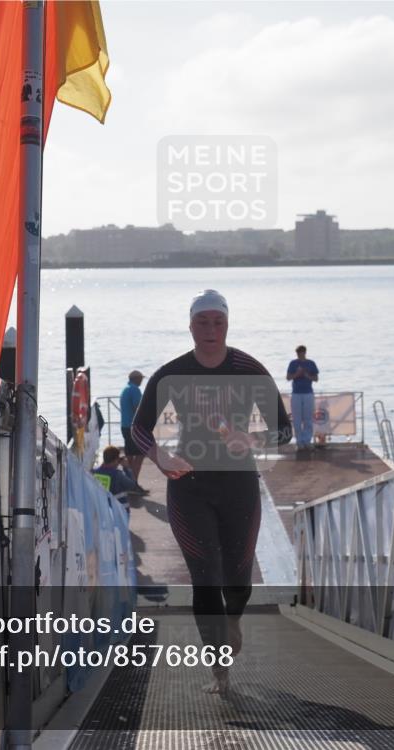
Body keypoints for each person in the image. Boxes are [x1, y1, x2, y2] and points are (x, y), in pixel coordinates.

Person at [131, 289, 292, 696]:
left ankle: (233, 618)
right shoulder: (172, 374)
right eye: (202, 322)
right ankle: (220, 672)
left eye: (217, 322)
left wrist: (253, 439)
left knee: (238, 579)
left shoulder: (249, 369)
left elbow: (285, 430)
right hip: (189, 485)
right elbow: (137, 429)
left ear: (227, 325)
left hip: (239, 485)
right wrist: (159, 456)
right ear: (190, 326)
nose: (210, 329)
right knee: (204, 578)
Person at [92, 445, 145, 510]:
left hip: (103, 510)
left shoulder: (94, 472)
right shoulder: (117, 475)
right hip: (119, 511)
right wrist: (127, 468)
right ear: (115, 460)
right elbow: (132, 486)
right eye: (118, 460)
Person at [286, 345, 319, 449]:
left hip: (308, 393)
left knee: (308, 418)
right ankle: (299, 441)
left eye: (301, 353)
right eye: (298, 353)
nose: (299, 355)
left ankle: (307, 441)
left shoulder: (311, 363)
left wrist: (307, 375)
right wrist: (297, 374)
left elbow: (316, 378)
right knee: (297, 419)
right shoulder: (293, 363)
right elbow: (288, 377)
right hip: (296, 393)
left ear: (305, 352)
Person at [120, 370, 146, 482]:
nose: (141, 381)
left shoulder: (125, 389)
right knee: (141, 454)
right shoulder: (135, 390)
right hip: (133, 427)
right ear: (136, 379)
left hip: (125, 426)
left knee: (130, 455)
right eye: (141, 378)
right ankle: (133, 482)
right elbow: (139, 409)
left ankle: (129, 481)